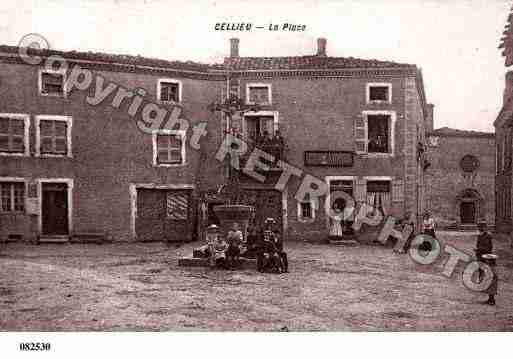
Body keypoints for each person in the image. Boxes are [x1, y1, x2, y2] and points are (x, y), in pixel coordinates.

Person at [475, 222, 497, 305]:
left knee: (490, 278)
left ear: (485, 227)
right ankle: (490, 298)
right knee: (484, 277)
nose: (479, 229)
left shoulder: (488, 236)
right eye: (479, 227)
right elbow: (478, 245)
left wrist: (479, 250)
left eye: (481, 227)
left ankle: (492, 298)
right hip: (481, 258)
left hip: (488, 259)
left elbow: (488, 248)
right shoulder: (480, 236)